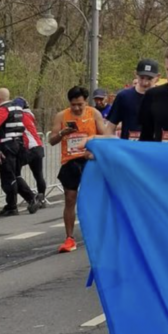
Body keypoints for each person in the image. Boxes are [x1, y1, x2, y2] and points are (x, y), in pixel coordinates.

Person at [48, 86, 106, 252]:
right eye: (73, 104)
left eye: (80, 104)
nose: (77, 108)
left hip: (89, 160)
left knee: (94, 197)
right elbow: (52, 140)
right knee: (70, 198)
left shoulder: (94, 113)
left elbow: (104, 135)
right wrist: (62, 133)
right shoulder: (62, 116)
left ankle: (98, 233)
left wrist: (91, 139)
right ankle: (69, 238)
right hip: (70, 162)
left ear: (85, 102)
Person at [0, 87, 39, 216]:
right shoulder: (17, 109)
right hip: (19, 144)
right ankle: (31, 198)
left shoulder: (2, 110)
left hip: (6, 146)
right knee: (16, 174)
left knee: (7, 175)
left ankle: (11, 206)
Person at [108, 59, 159, 140]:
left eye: (149, 79)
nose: (145, 83)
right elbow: (110, 128)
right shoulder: (123, 96)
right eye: (141, 78)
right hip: (128, 150)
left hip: (154, 150)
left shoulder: (163, 97)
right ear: (136, 74)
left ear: (157, 77)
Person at [12, 97, 48, 208]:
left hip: (28, 148)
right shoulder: (30, 115)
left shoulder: (17, 116)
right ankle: (41, 198)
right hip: (38, 146)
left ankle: (30, 198)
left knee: (14, 173)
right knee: (38, 175)